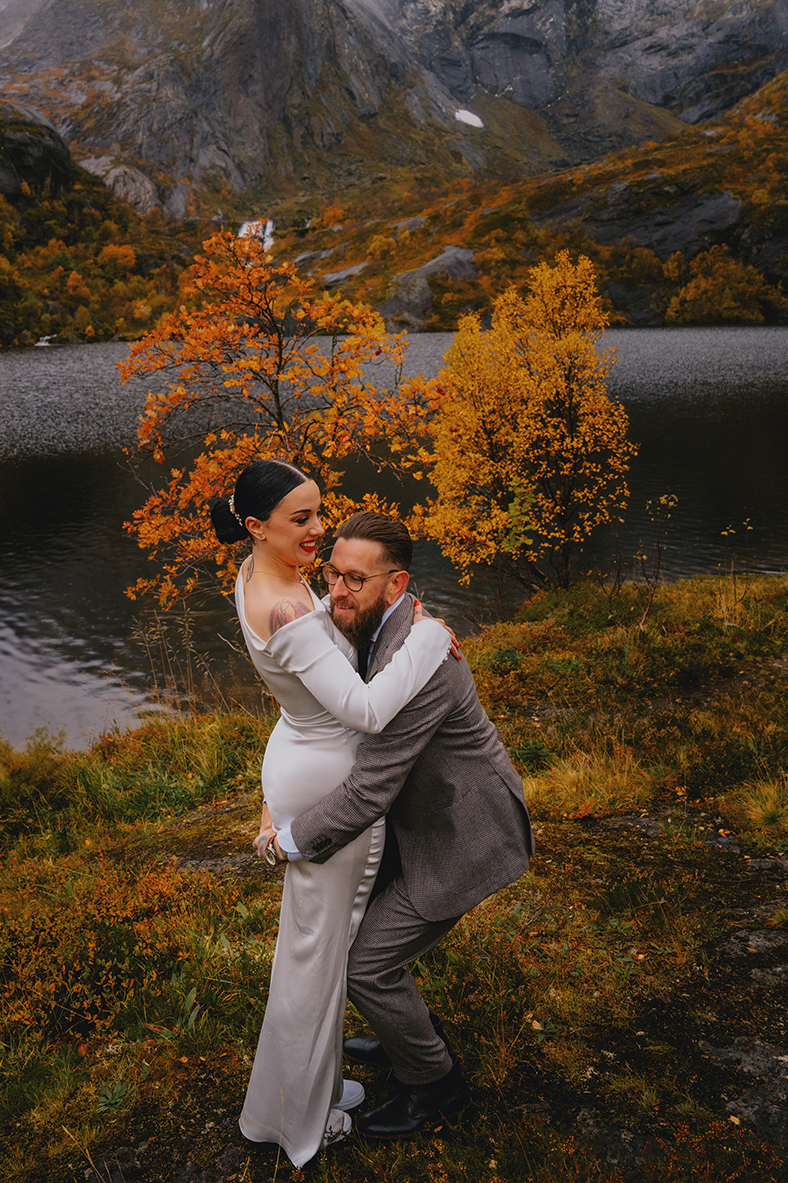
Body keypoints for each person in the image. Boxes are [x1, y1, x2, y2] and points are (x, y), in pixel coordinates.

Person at [210, 460, 454, 1167]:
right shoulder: (287, 606)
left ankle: (295, 1097)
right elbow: (370, 712)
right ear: (255, 526)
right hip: (324, 782)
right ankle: (298, 1122)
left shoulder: (259, 576)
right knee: (317, 960)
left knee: (309, 952)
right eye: (302, 519)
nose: (320, 530)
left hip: (297, 756)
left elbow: (309, 687)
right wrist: (432, 639)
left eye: (320, 512)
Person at [269, 510, 534, 1140]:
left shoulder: (423, 663)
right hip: (412, 823)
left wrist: (289, 841)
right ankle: (404, 1029)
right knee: (362, 934)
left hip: (463, 832)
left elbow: (370, 789)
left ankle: (436, 1086)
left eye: (356, 580)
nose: (336, 589)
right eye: (332, 572)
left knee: (366, 966)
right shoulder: (379, 621)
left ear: (397, 586)